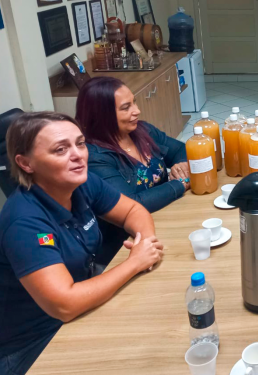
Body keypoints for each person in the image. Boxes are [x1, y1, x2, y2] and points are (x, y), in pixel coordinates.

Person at [0, 112, 163, 374]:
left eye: (80, 143)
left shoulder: (80, 183)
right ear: (26, 163)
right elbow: (65, 305)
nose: (78, 155)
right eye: (60, 149)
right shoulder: (24, 222)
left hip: (82, 307)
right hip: (33, 342)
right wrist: (134, 263)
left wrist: (144, 244)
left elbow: (134, 211)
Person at [76, 77, 189, 264]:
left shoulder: (142, 131)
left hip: (167, 214)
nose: (137, 111)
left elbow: (180, 149)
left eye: (134, 102)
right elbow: (132, 204)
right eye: (126, 107)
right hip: (128, 244)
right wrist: (181, 183)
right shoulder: (95, 157)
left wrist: (182, 165)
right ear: (102, 115)